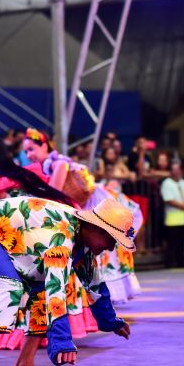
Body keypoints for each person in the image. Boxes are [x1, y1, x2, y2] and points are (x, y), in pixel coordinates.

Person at [0, 196, 133, 366]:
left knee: (39, 292)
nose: (111, 247)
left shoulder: (82, 237)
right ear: (97, 228)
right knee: (8, 286)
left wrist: (111, 322)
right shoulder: (61, 239)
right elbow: (56, 292)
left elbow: (94, 283)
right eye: (111, 240)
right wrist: (62, 340)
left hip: (6, 239)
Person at [0, 135, 98, 350]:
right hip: (57, 233)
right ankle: (43, 343)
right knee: (44, 284)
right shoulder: (24, 174)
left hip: (26, 241)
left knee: (11, 284)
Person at [23, 128, 143, 305]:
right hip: (80, 205)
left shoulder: (58, 164)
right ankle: (99, 297)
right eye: (26, 151)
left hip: (91, 204)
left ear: (44, 147)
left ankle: (104, 296)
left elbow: (53, 194)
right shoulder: (49, 165)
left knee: (101, 245)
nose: (28, 154)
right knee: (95, 250)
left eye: (31, 149)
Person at [161, 160, 184, 268]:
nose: (176, 172)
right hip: (172, 219)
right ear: (170, 171)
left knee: (182, 242)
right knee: (172, 243)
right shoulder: (166, 183)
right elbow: (169, 200)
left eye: (178, 169)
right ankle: (169, 263)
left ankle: (181, 262)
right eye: (174, 170)